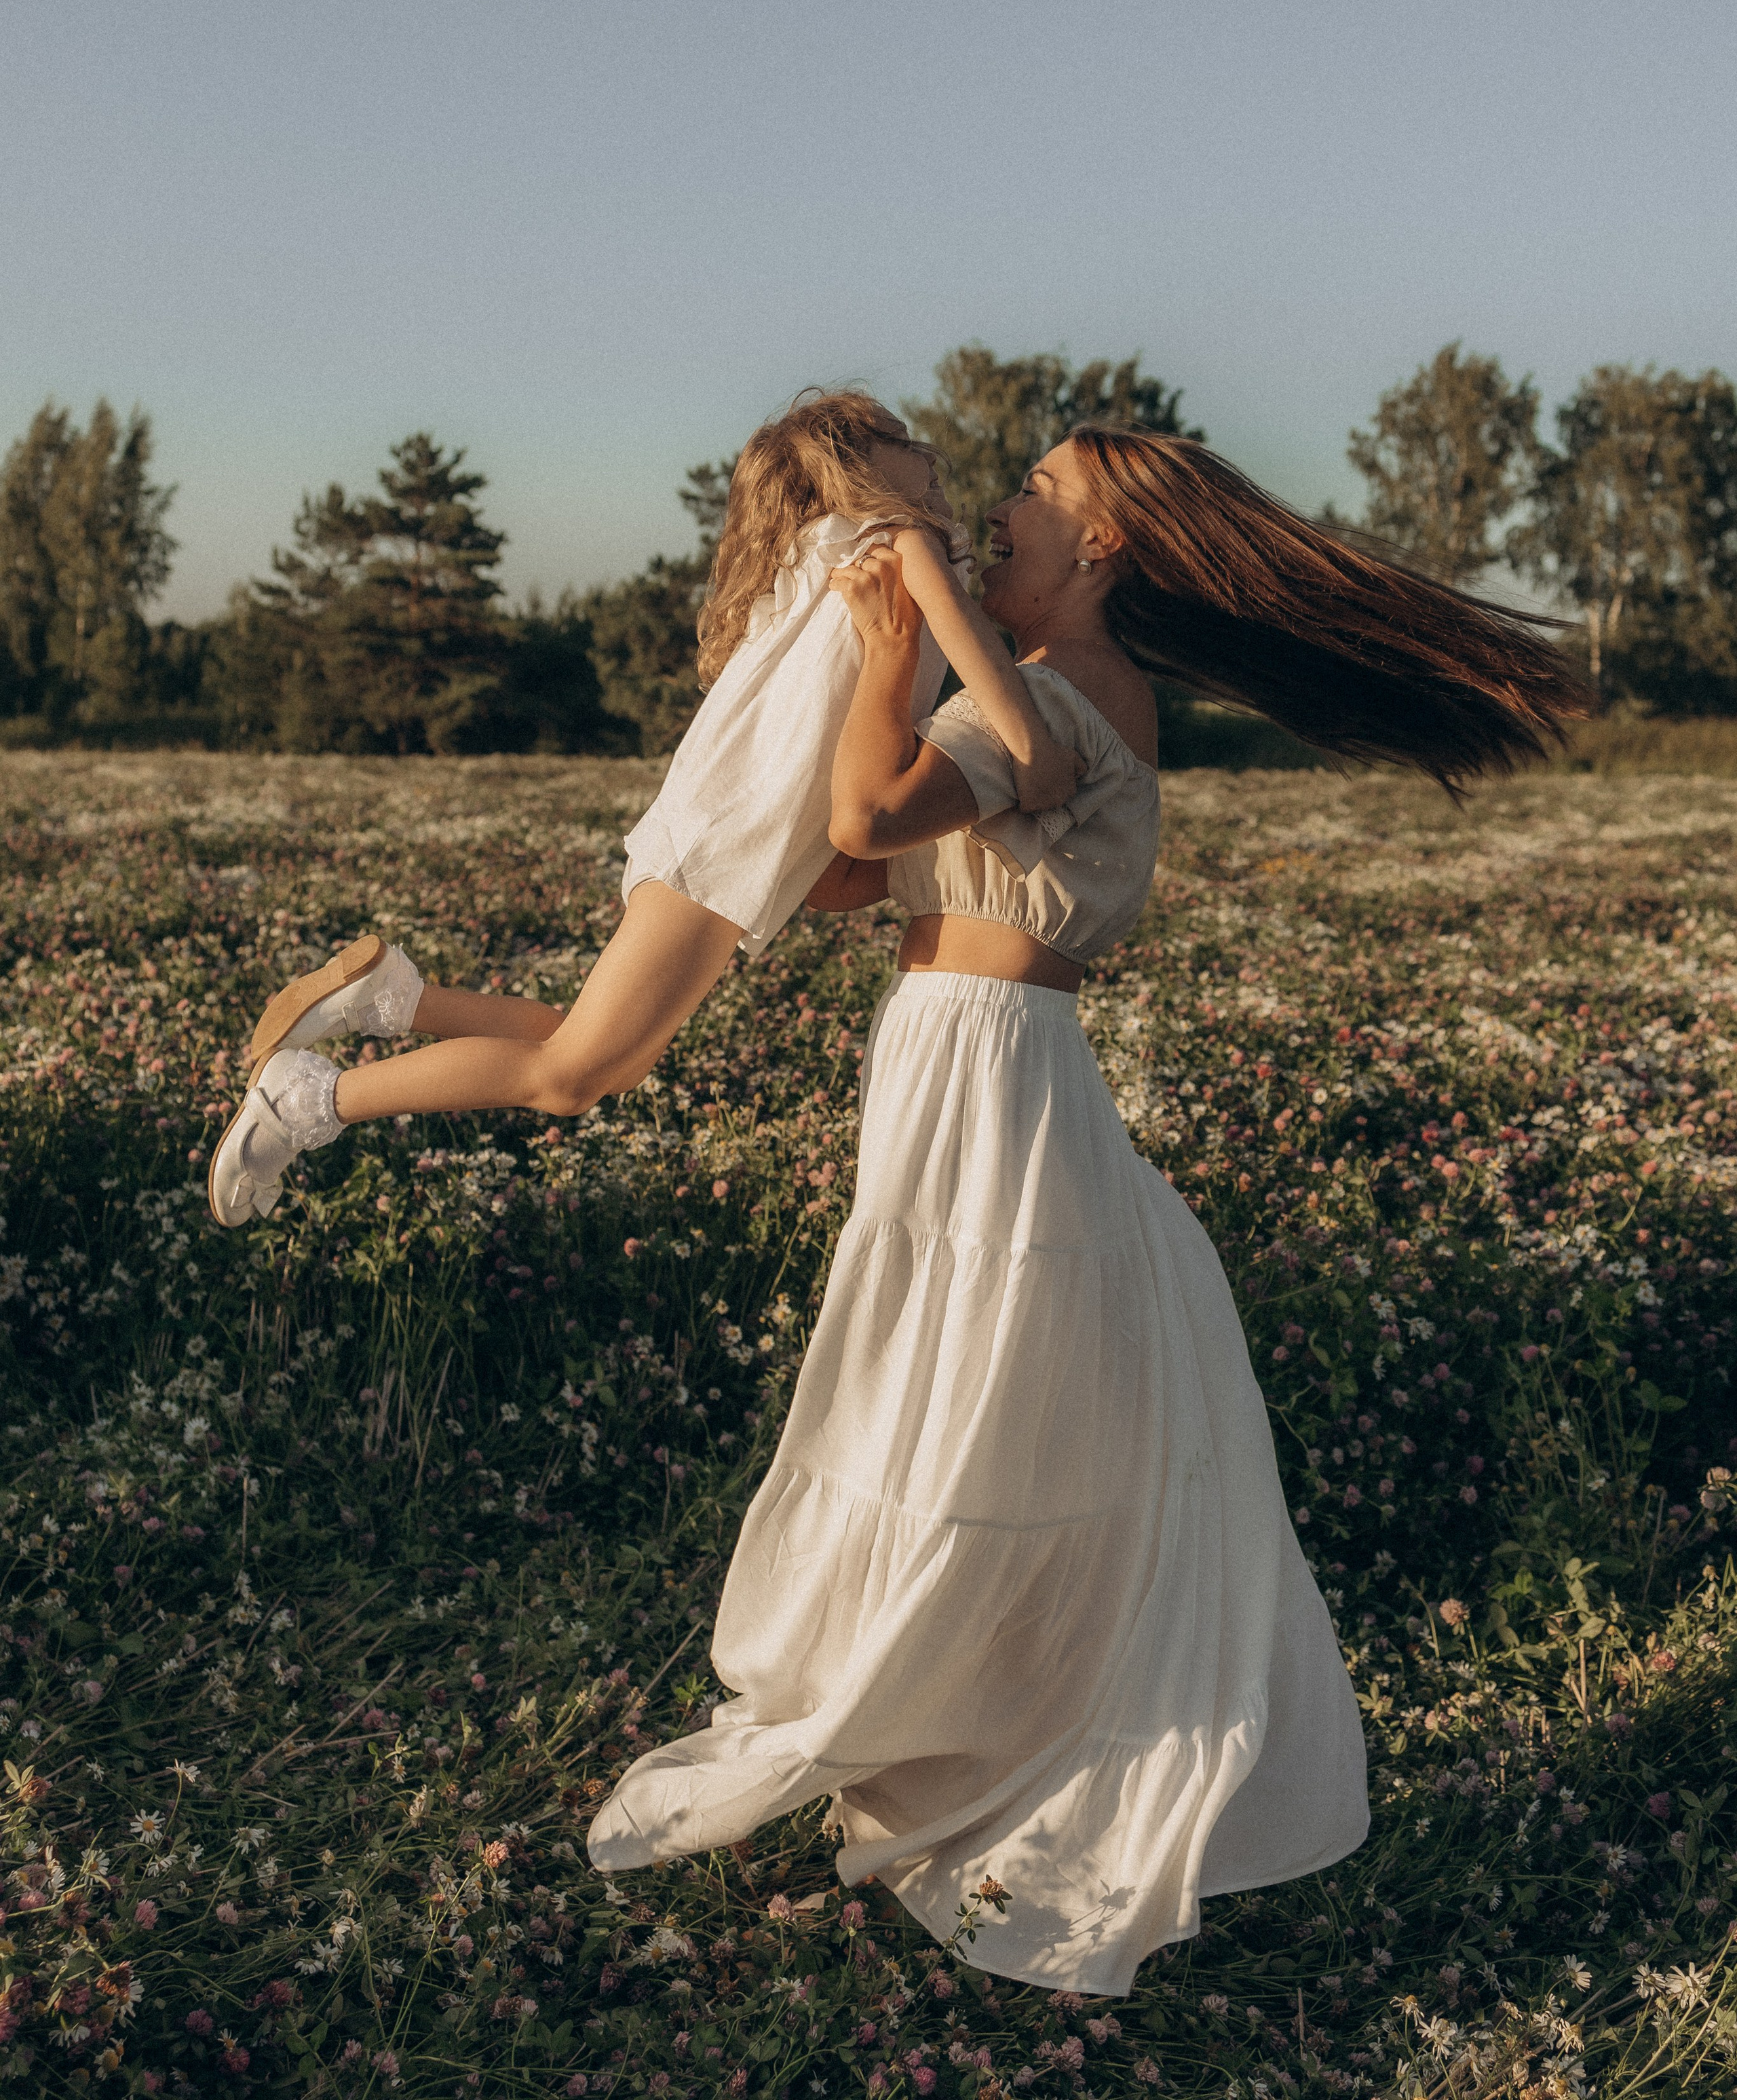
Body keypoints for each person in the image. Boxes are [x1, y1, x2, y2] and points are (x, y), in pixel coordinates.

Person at [586, 427, 1584, 1993]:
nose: (1000, 507)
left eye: (1037, 496)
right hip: (957, 1061)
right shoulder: (1026, 687)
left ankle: (956, 1721)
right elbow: (862, 868)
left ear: (1102, 544)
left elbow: (863, 822)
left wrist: (880, 648)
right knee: (951, 1403)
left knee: (966, 1409)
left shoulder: (1055, 694)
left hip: (990, 1073)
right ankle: (945, 1699)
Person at [205, 390, 1080, 1227]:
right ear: (858, 467)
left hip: (727, 826)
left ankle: (390, 993)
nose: (926, 453)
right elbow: (986, 677)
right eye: (896, 440)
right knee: (569, 1078)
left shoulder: (843, 554)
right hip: (736, 834)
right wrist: (1036, 761)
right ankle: (307, 1100)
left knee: (594, 1052)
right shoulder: (893, 543)